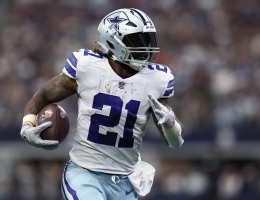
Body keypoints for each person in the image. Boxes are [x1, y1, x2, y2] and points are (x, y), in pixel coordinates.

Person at [20, 8, 184, 200]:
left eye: (147, 39)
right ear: (113, 40)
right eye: (137, 40)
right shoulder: (88, 67)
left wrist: (171, 124)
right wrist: (27, 124)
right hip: (85, 174)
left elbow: (175, 142)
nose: (145, 46)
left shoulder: (157, 79)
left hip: (125, 181)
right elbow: (43, 95)